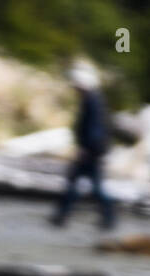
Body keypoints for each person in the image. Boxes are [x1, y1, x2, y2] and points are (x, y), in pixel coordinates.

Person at [50, 61, 115, 231]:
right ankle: (62, 217)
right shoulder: (94, 99)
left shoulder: (92, 101)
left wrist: (85, 148)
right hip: (94, 150)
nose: (75, 89)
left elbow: (93, 128)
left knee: (86, 187)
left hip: (90, 151)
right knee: (87, 186)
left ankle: (62, 217)